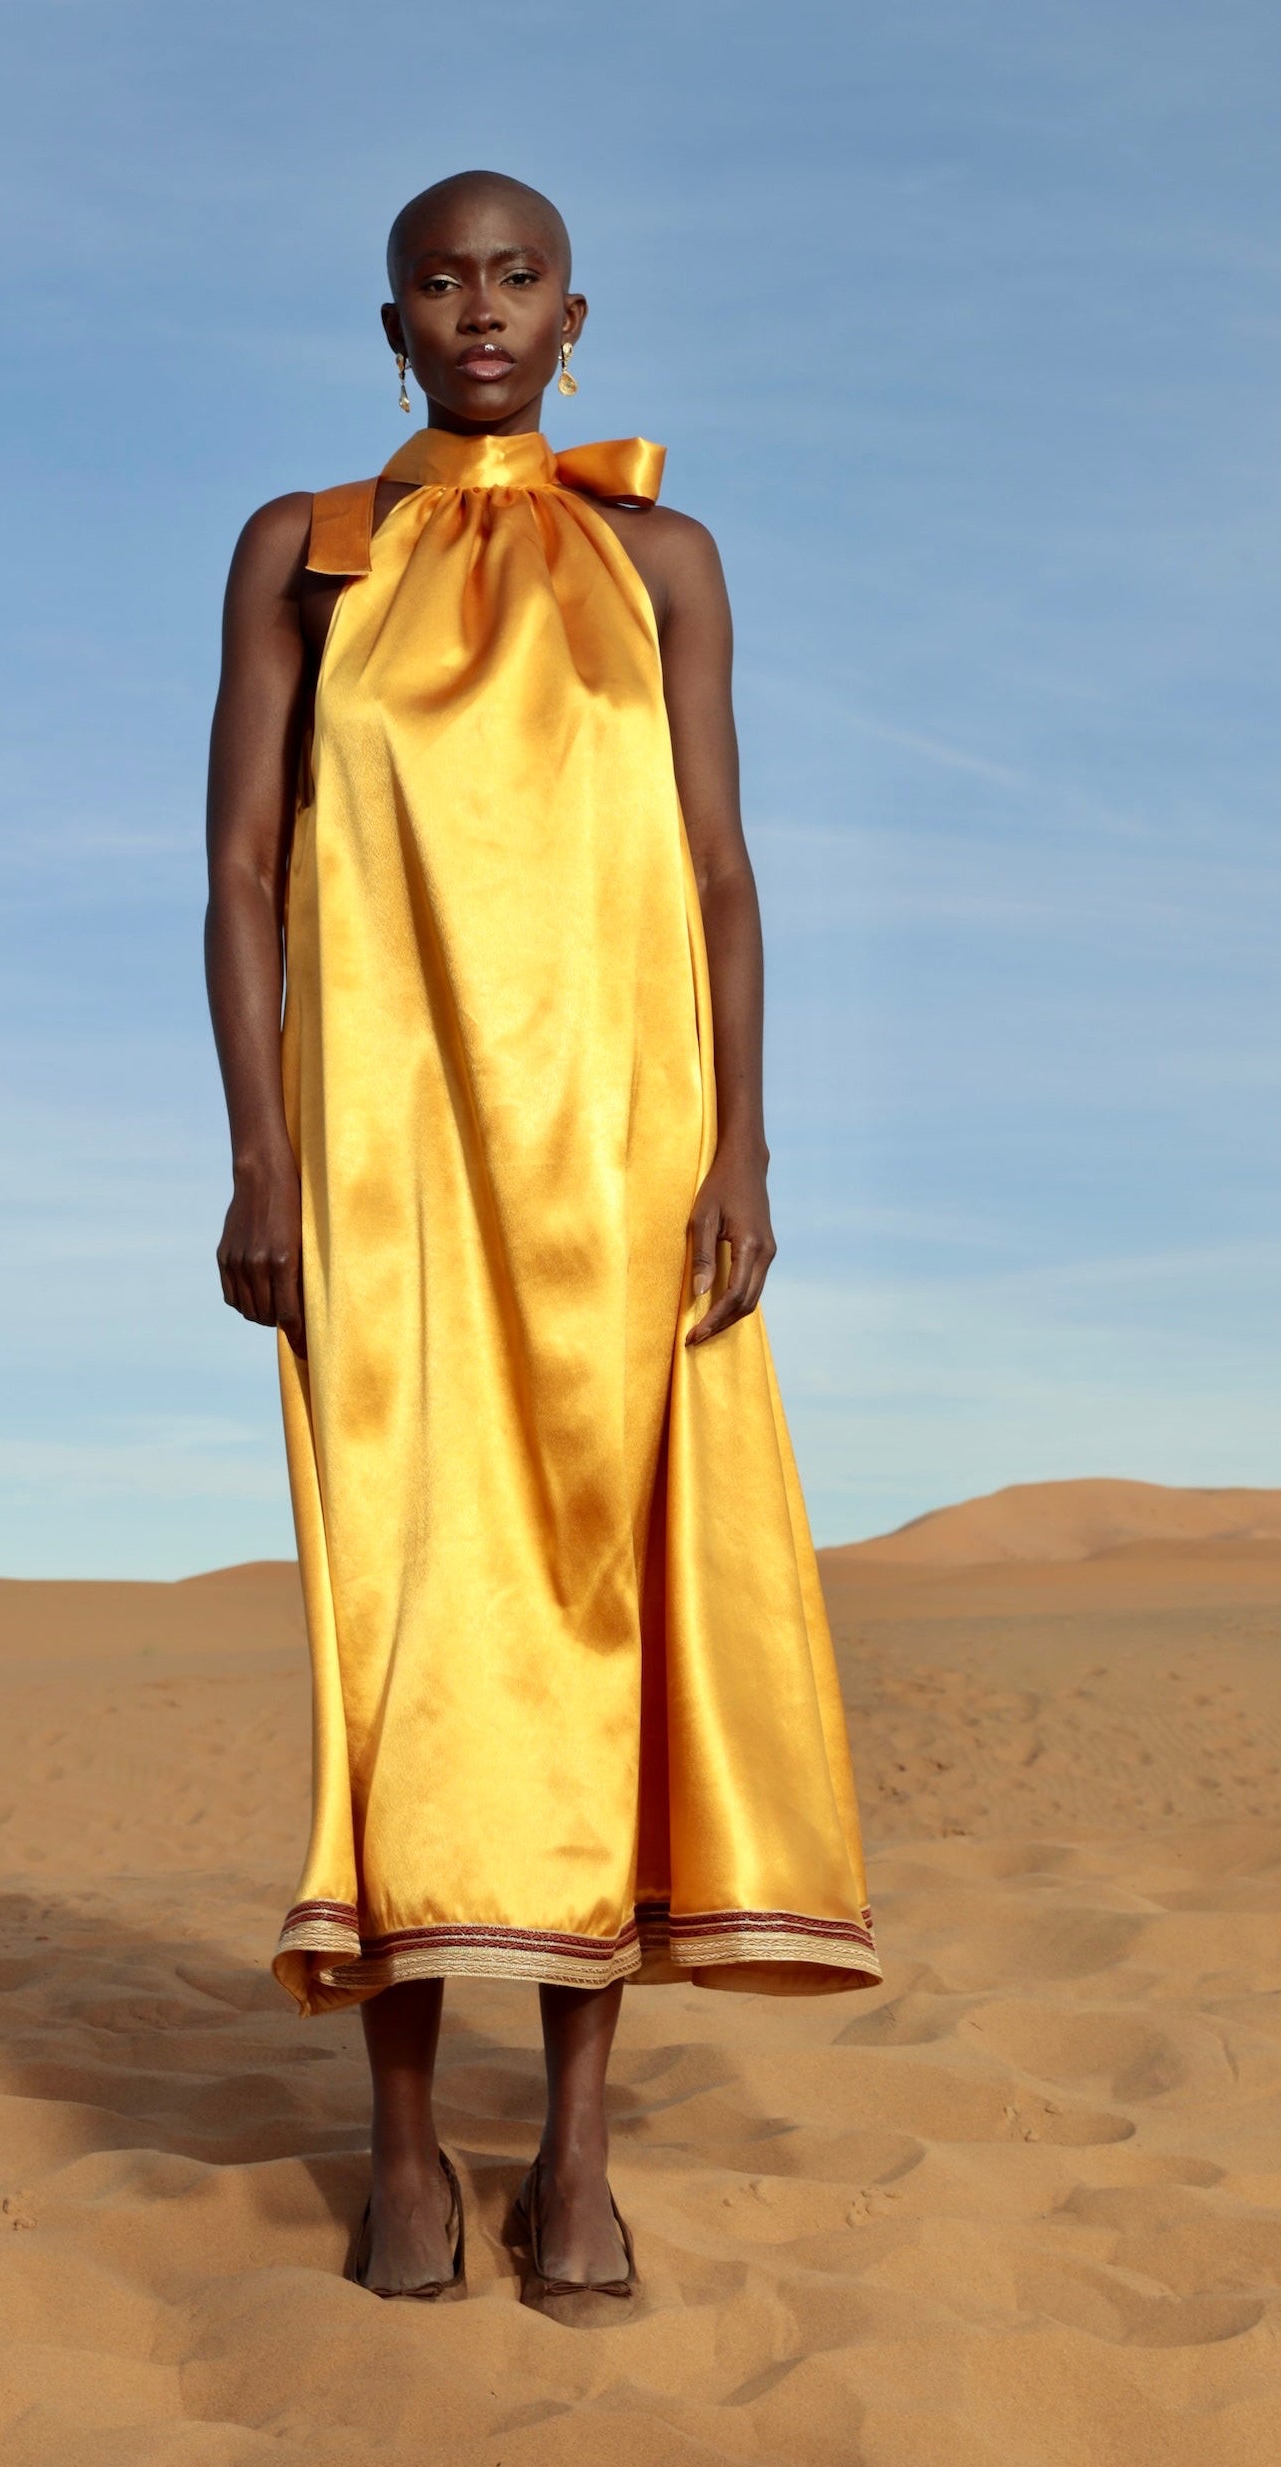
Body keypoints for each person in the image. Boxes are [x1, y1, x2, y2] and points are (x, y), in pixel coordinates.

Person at [205, 170, 878, 2322]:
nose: (477, 310)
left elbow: (723, 880)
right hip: (385, 1168)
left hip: (617, 1167)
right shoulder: (307, 553)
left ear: (574, 315)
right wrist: (263, 1162)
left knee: (606, 1621)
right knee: (409, 1637)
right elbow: (239, 880)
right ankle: (404, 2143)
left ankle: (575, 2153)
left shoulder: (664, 555)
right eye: (438, 279)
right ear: (387, 319)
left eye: (514, 279)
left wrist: (743, 1150)